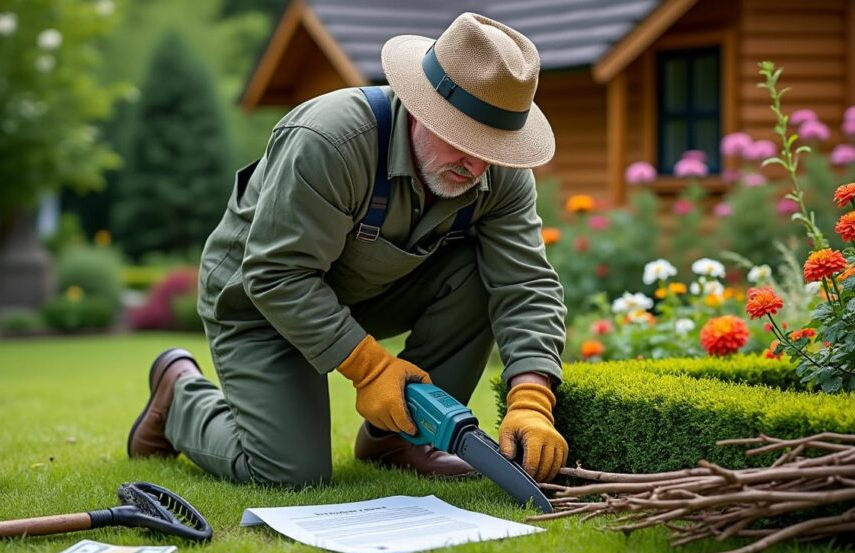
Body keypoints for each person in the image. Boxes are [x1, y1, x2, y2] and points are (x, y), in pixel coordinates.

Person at [127, 12, 569, 488]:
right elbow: (275, 275)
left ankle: (397, 439)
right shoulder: (331, 141)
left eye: (494, 145)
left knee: (480, 271)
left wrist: (531, 397)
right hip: (261, 299)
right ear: (421, 107)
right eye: (463, 137)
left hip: (374, 291)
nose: (477, 163)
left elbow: (525, 283)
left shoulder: (499, 172)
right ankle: (179, 396)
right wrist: (369, 368)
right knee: (290, 472)